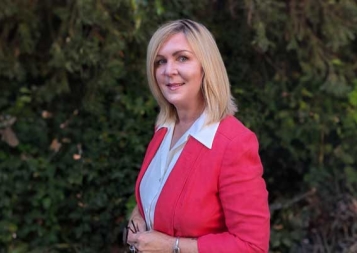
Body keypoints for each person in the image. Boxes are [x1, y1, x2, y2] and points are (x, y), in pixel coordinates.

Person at [125, 19, 270, 253]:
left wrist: (172, 247)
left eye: (182, 58)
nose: (168, 70)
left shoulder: (234, 143)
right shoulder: (163, 130)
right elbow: (148, 201)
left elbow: (252, 247)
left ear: (206, 66)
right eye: (160, 61)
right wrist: (137, 221)